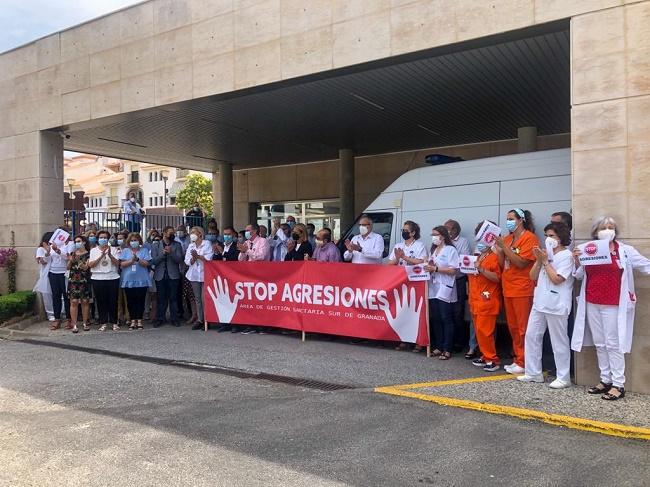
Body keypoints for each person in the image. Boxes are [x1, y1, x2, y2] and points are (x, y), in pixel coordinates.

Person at [571, 216, 650, 401]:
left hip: (614, 304)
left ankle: (618, 384)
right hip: (592, 302)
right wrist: (577, 260)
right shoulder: (589, 249)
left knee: (613, 343)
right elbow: (580, 276)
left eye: (611, 227)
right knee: (600, 343)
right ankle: (605, 380)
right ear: (595, 232)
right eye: (603, 227)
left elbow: (646, 265)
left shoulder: (624, 250)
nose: (607, 230)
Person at [517, 222, 575, 388]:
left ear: (561, 238)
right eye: (547, 236)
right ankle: (533, 372)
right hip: (540, 302)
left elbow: (557, 279)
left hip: (556, 304)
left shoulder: (567, 256)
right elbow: (532, 276)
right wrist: (539, 260)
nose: (548, 239)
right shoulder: (545, 254)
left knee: (559, 341)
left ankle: (563, 377)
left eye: (552, 236)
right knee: (532, 335)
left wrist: (545, 262)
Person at [494, 208, 539, 375]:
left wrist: (504, 248)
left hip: (523, 288)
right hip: (509, 287)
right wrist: (499, 251)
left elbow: (521, 263)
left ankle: (526, 361)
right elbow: (502, 263)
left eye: (511, 218)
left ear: (521, 220)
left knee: (524, 327)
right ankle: (518, 359)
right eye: (507, 219)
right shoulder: (508, 238)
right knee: (513, 327)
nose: (508, 222)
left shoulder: (530, 238)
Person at [468, 222, 503, 372]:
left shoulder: (494, 256)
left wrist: (481, 269)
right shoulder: (481, 255)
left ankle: (492, 359)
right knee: (479, 331)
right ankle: (485, 355)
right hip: (476, 299)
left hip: (487, 298)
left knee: (485, 331)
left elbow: (497, 277)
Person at [388, 221, 428, 351]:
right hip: (400, 283)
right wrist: (398, 258)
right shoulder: (398, 245)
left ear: (413, 232)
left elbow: (421, 262)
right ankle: (404, 340)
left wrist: (404, 257)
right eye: (403, 230)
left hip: (415, 283)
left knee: (416, 312)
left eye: (406, 230)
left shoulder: (419, 245)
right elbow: (389, 264)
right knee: (401, 311)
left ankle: (418, 341)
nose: (404, 232)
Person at [424, 226, 460, 360]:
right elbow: (431, 266)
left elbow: (453, 271)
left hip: (445, 287)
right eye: (432, 234)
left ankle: (447, 348)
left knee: (446, 318)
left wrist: (436, 268)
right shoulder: (433, 250)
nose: (433, 237)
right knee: (436, 318)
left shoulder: (450, 250)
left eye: (436, 234)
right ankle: (438, 346)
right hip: (433, 287)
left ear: (443, 236)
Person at [444, 219, 476, 357]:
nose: (447, 231)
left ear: (456, 230)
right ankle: (448, 342)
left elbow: (462, 261)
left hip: (458, 280)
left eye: (449, 229)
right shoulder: (443, 241)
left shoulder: (463, 242)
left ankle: (459, 342)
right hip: (444, 280)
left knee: (458, 312)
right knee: (447, 311)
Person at [88, 230, 121, 332]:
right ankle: (103, 322)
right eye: (101, 238)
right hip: (98, 278)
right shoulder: (93, 250)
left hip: (112, 277)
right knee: (101, 301)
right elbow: (91, 265)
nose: (103, 239)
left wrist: (110, 255)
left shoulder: (114, 249)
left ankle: (114, 322)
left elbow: (118, 264)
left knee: (113, 301)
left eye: (105, 238)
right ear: (98, 239)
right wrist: (101, 256)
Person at [151, 226, 184, 327]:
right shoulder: (156, 245)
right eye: (170, 233)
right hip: (160, 275)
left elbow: (179, 260)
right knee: (161, 298)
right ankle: (160, 318)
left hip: (173, 275)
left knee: (173, 298)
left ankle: (174, 318)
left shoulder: (177, 245)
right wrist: (162, 254)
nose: (173, 235)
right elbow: (153, 261)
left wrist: (171, 253)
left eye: (173, 233)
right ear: (164, 233)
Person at [119, 233, 152, 330]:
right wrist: (131, 261)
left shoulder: (144, 250)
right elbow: (122, 264)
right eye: (132, 240)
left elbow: (146, 263)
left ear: (139, 241)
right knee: (130, 300)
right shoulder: (125, 251)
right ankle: (133, 320)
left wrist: (137, 259)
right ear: (129, 242)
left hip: (141, 279)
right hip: (128, 280)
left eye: (136, 240)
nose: (134, 242)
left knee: (140, 300)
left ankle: (139, 320)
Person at [211, 226, 241, 332]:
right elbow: (215, 261)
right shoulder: (221, 245)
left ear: (233, 235)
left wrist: (223, 252)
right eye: (225, 234)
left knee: (234, 300)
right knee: (224, 301)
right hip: (222, 277)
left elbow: (234, 259)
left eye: (228, 234)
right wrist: (216, 253)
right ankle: (225, 323)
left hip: (233, 277)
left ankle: (235, 324)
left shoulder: (236, 246)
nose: (226, 236)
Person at [185, 226, 213, 330]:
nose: (191, 234)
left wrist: (198, 256)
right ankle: (200, 319)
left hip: (205, 274)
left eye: (194, 232)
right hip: (194, 274)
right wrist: (193, 258)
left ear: (200, 234)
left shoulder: (207, 244)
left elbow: (209, 258)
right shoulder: (191, 245)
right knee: (197, 298)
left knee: (204, 298)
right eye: (191, 232)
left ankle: (207, 319)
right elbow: (187, 261)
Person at [67, 235, 92, 334]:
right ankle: (74, 324)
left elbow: (86, 267)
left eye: (79, 241)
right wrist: (71, 260)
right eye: (75, 241)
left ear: (84, 242)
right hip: (73, 279)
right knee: (73, 301)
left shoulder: (89, 254)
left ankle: (85, 323)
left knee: (85, 301)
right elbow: (68, 267)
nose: (77, 243)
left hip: (84, 280)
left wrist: (79, 262)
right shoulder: (73, 253)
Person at [47, 232, 71, 330]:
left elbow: (68, 257)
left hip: (64, 273)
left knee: (66, 296)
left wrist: (58, 250)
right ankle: (57, 318)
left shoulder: (69, 245)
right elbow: (47, 258)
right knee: (56, 295)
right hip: (53, 273)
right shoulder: (52, 244)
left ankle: (69, 319)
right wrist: (48, 252)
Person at [34, 233, 54, 321]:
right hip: (46, 274)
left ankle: (61, 312)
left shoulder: (56, 248)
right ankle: (50, 314)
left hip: (57, 273)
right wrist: (47, 252)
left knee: (57, 294)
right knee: (47, 294)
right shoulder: (40, 249)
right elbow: (42, 261)